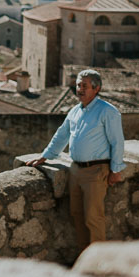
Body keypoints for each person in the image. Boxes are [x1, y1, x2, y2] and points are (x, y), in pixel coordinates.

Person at [26, 68, 125, 254]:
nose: (80, 89)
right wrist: (44, 156)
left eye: (84, 86)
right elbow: (61, 135)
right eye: (78, 85)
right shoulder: (75, 111)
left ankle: (99, 263)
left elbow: (117, 142)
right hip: (75, 170)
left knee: (93, 218)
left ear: (96, 88)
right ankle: (83, 257)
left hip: (96, 171)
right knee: (77, 215)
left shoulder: (107, 111)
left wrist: (116, 170)